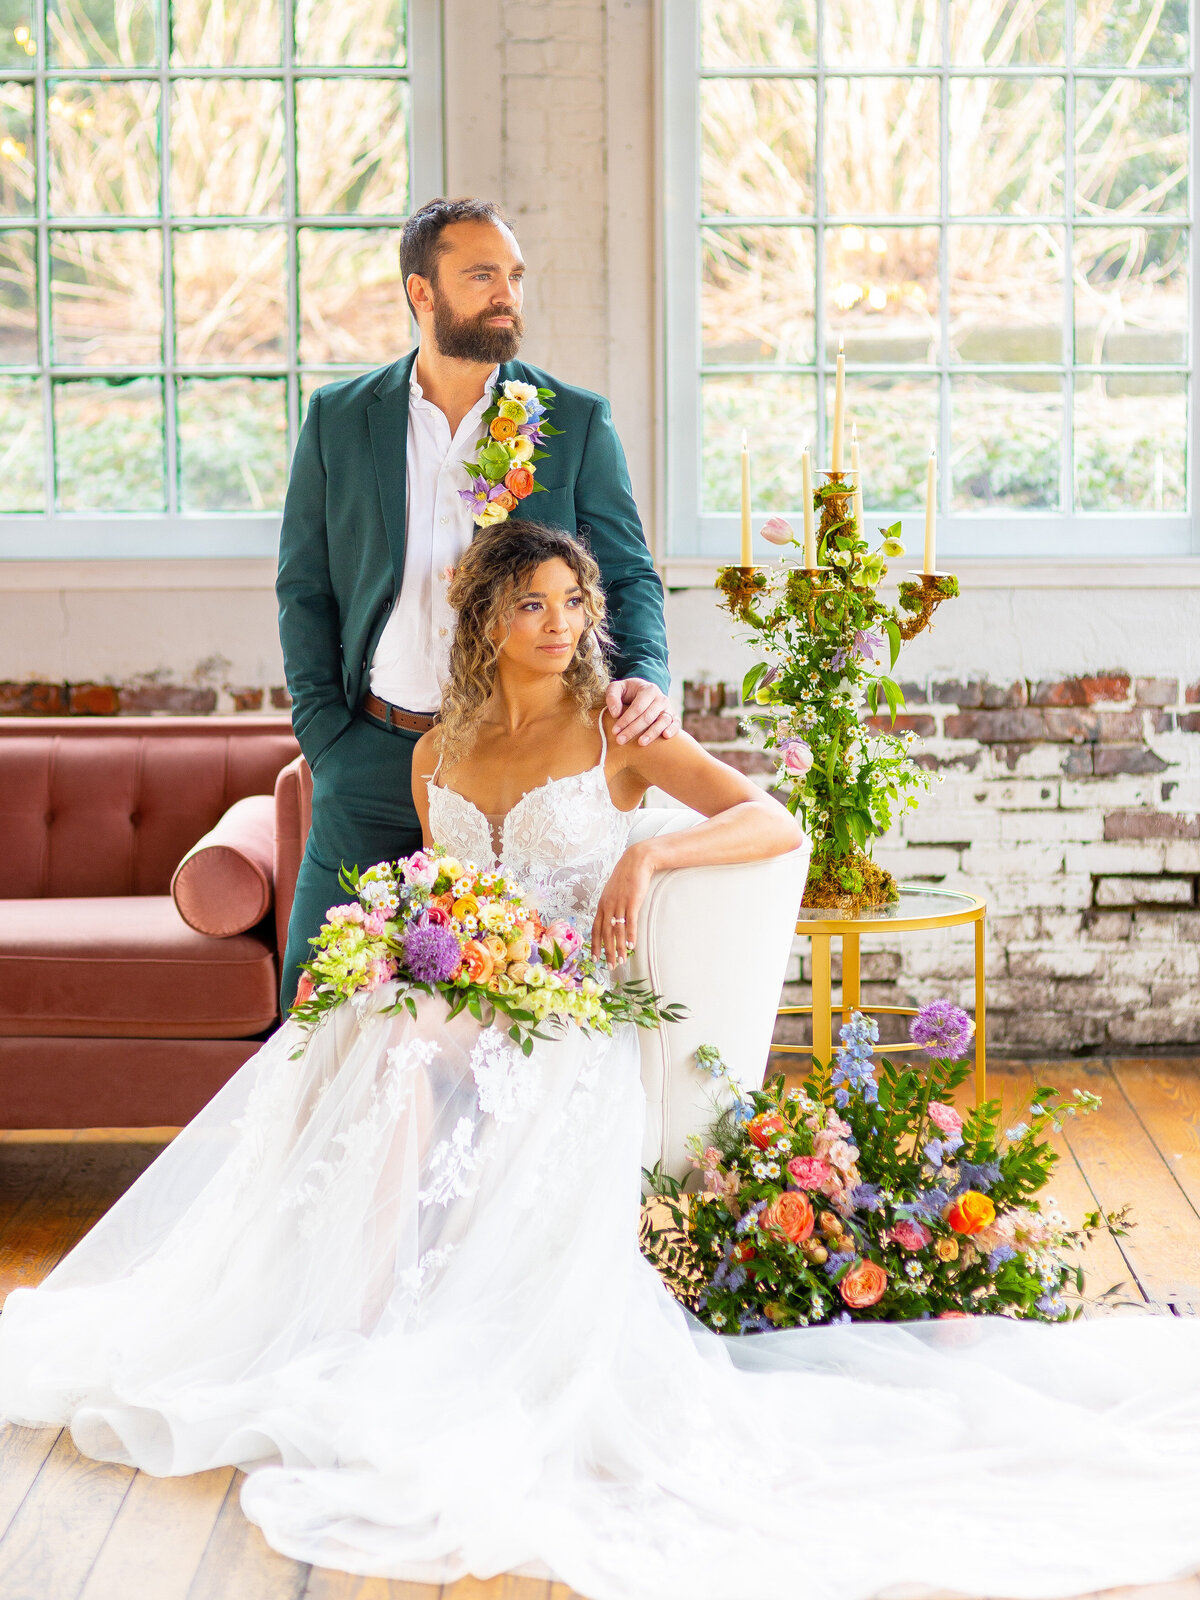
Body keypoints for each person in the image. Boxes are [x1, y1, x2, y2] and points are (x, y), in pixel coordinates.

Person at [3, 525, 1200, 1600]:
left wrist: (648, 862)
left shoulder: (622, 732)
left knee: (410, 1054)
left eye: (574, 601)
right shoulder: (438, 755)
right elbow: (449, 896)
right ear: (483, 620)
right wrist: (407, 959)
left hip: (569, 1010)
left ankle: (375, 1339)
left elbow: (770, 819)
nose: (561, 624)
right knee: (367, 1034)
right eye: (532, 603)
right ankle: (351, 1326)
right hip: (468, 991)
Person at [275, 194, 676, 1010]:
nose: (507, 294)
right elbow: (304, 588)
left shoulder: (573, 421)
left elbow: (628, 575)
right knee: (316, 1010)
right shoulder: (339, 421)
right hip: (376, 756)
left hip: (515, 772)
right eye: (482, 274)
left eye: (515, 277)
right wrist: (328, 742)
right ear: (422, 292)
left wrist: (649, 676)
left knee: (486, 1021)